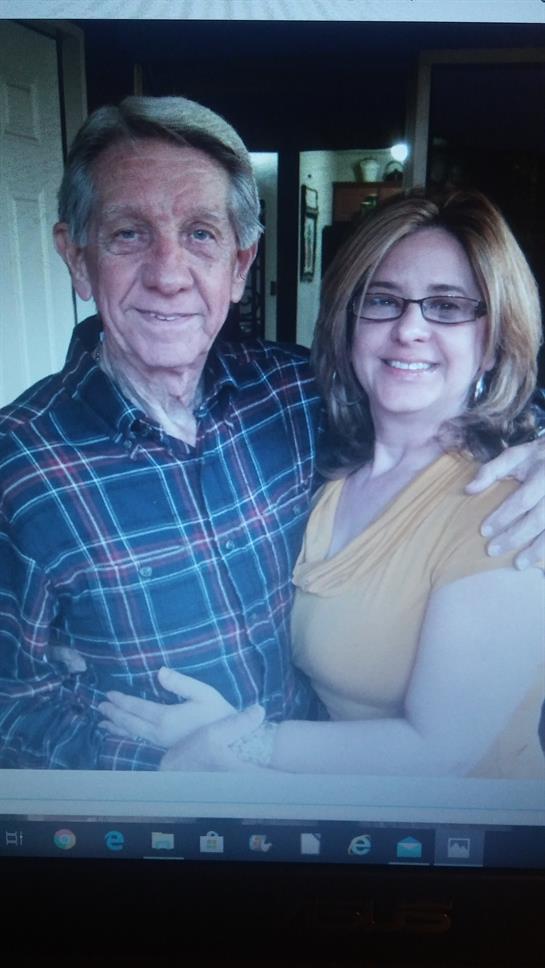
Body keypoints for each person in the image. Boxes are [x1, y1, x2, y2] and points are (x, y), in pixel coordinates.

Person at [0, 99, 543, 771]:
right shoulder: (16, 469)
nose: (169, 274)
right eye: (128, 234)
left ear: (240, 265)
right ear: (77, 259)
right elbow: (11, 706)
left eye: (201, 234)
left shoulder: (290, 394)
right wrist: (158, 767)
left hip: (343, 819)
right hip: (156, 835)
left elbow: (436, 389)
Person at [109, 189, 544, 779]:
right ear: (349, 323)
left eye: (446, 307)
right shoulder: (328, 463)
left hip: (461, 848)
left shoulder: (507, 507)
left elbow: (441, 750)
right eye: (383, 301)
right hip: (342, 815)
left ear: (491, 342)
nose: (409, 328)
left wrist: (241, 743)